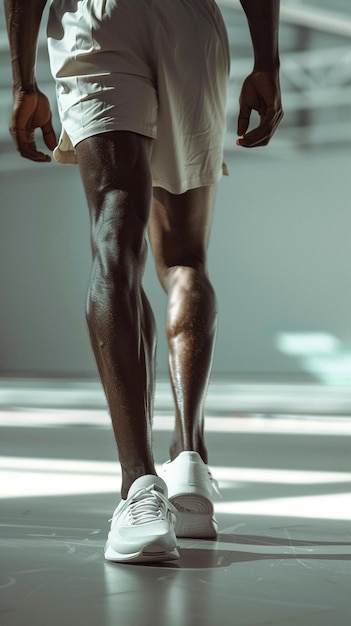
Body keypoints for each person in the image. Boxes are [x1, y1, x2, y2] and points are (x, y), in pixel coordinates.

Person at [4, 0, 283, 563]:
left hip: (95, 18)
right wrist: (267, 63)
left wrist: (22, 78)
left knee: (115, 240)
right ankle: (190, 466)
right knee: (184, 258)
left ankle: (138, 487)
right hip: (190, 23)